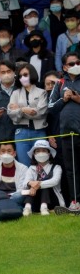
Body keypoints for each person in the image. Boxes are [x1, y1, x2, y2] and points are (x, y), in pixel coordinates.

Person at [48, 51, 80, 212]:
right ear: (65, 67)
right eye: (72, 64)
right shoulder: (60, 83)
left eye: (78, 62)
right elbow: (50, 108)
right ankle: (75, 201)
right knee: (71, 169)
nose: (76, 66)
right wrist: (64, 99)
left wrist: (77, 98)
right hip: (67, 134)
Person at [7, 64, 48, 166]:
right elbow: (11, 114)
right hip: (21, 133)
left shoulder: (42, 92)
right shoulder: (15, 93)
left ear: (32, 74)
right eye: (20, 76)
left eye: (25, 74)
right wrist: (24, 110)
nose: (22, 78)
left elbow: (41, 113)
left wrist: (19, 110)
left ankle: (40, 183)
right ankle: (28, 183)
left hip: (39, 132)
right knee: (24, 166)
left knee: (42, 163)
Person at [23, 140, 64, 216]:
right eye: (37, 151)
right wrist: (31, 183)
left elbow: (55, 181)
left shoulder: (56, 167)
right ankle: (27, 208)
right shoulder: (31, 168)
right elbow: (25, 183)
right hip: (36, 200)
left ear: (49, 153)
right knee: (31, 185)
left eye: (44, 150)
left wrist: (38, 184)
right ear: (34, 154)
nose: (41, 153)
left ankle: (44, 207)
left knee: (43, 183)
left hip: (53, 200)